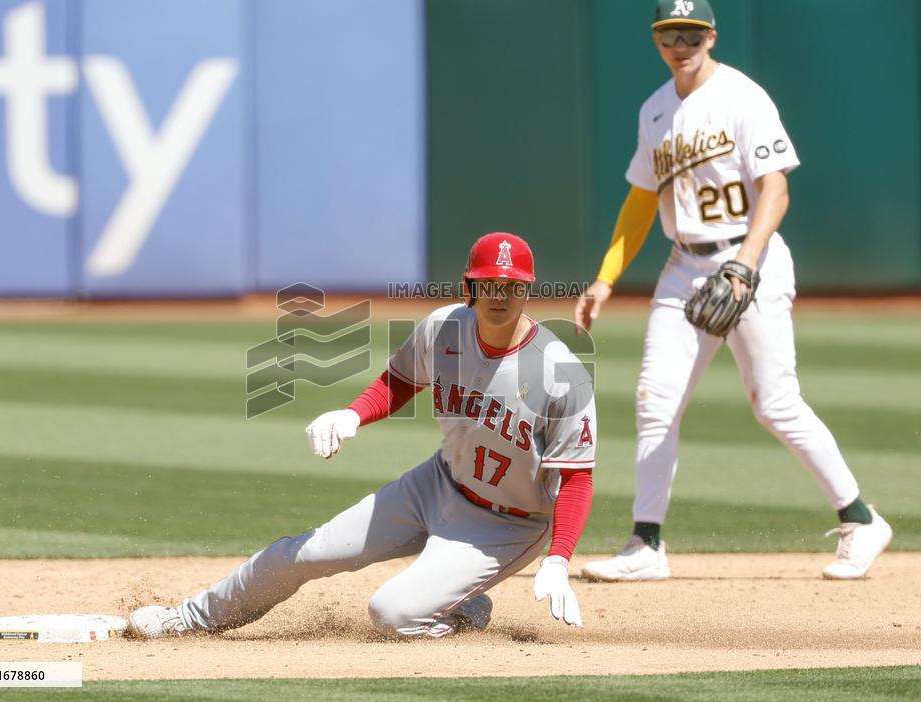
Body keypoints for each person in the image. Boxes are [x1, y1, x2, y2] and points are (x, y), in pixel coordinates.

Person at [129, 232, 597, 639]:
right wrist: (352, 415)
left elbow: (576, 478)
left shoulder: (559, 374)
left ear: (528, 291)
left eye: (513, 286)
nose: (501, 295)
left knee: (391, 615)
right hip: (435, 484)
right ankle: (189, 619)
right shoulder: (443, 327)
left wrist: (558, 558)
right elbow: (399, 382)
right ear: (469, 287)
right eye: (489, 284)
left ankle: (460, 609)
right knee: (305, 552)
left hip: (505, 524)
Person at [574, 0, 891, 582]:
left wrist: (745, 265)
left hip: (752, 257)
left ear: (711, 36)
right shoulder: (654, 112)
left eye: (692, 32)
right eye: (671, 33)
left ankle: (861, 518)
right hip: (681, 266)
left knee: (774, 403)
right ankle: (646, 544)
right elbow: (642, 200)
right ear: (656, 39)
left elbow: (776, 191)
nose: (682, 43)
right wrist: (605, 276)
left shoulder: (744, 97)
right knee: (654, 400)